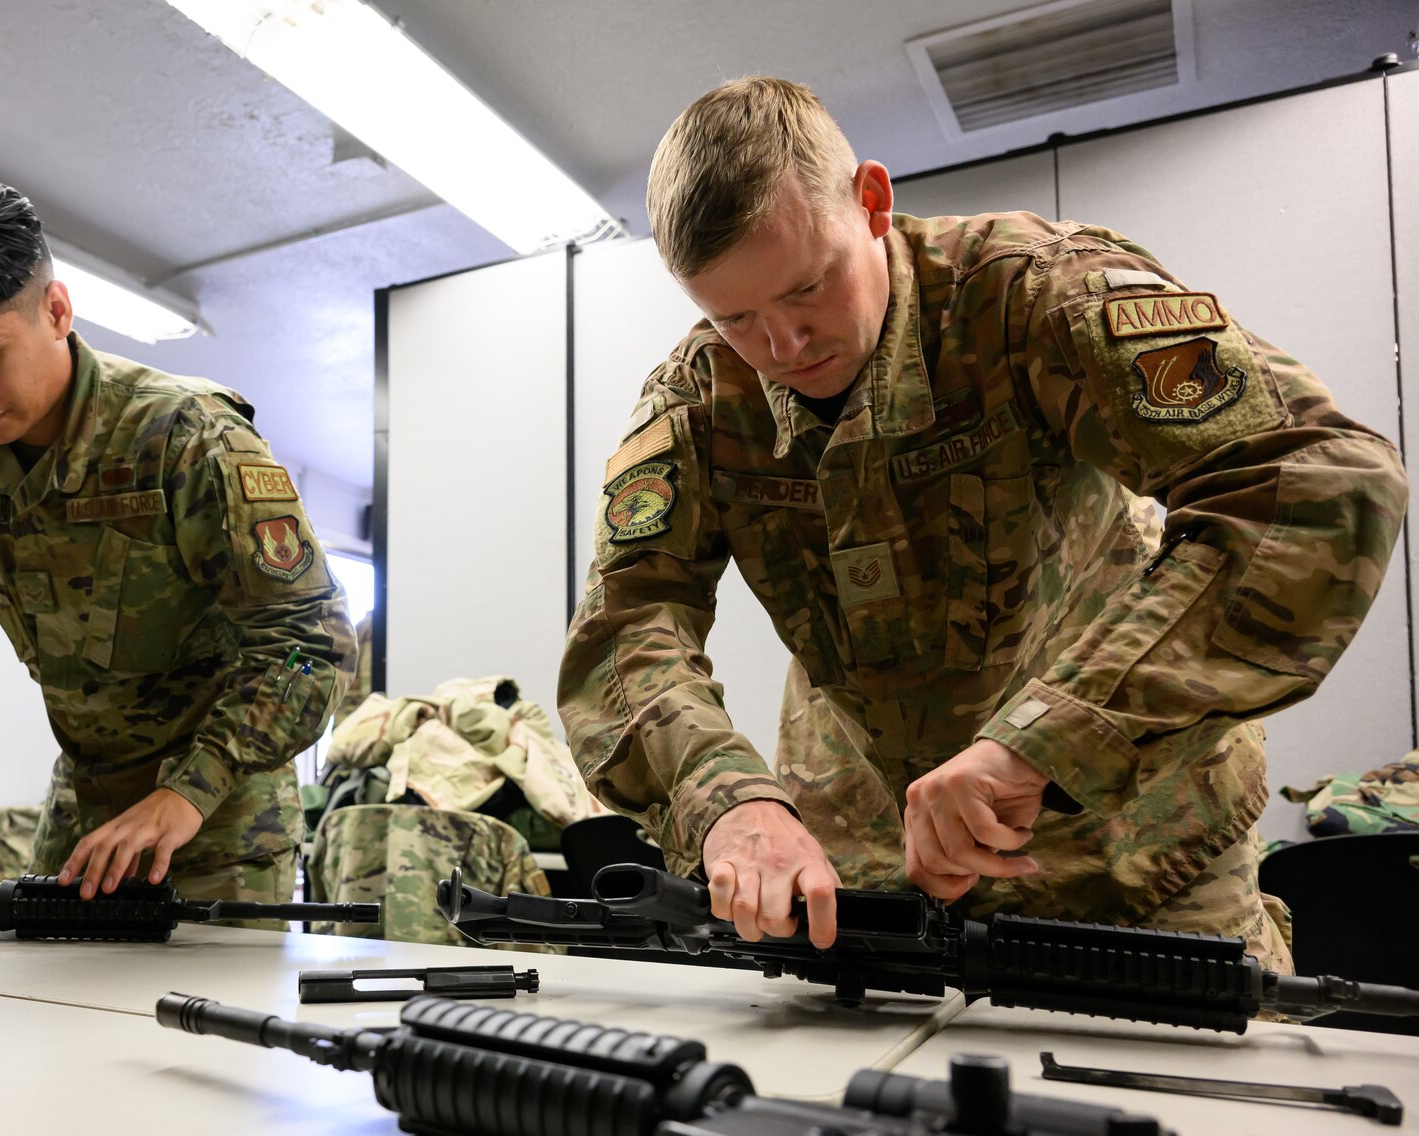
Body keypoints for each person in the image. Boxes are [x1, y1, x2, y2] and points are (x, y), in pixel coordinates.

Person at [558, 77, 1407, 968]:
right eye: (733, 316)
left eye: (809, 288)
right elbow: (626, 626)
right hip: (870, 873)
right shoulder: (699, 396)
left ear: (872, 201)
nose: (784, 346)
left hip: (1144, 858)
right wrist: (724, 798)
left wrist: (1049, 738)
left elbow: (1316, 478)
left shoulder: (1032, 295)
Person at [0, 175, 355, 911]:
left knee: (204, 1024)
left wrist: (189, 790)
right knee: (54, 1014)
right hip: (84, 807)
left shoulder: (185, 436)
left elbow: (308, 641)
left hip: (220, 817)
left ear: (56, 310)